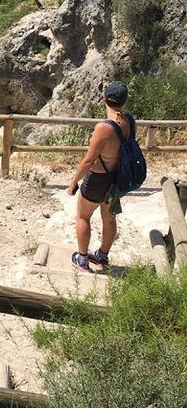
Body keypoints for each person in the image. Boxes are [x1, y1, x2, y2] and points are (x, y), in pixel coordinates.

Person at [67, 81, 131, 271]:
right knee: (109, 218)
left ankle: (82, 258)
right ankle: (102, 256)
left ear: (105, 98)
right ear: (124, 101)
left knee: (83, 217)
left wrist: (73, 183)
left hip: (98, 179)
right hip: (116, 178)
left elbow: (88, 161)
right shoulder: (128, 122)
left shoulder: (104, 127)